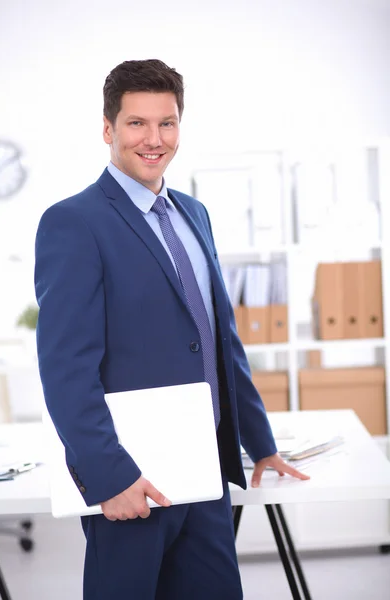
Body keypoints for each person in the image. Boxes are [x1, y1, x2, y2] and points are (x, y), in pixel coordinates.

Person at [34, 58, 309, 600]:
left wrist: (261, 444)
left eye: (167, 123)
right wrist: (108, 476)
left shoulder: (194, 213)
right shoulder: (74, 222)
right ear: (109, 129)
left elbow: (219, 340)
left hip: (205, 470)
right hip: (134, 478)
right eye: (137, 123)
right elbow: (66, 367)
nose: (153, 138)